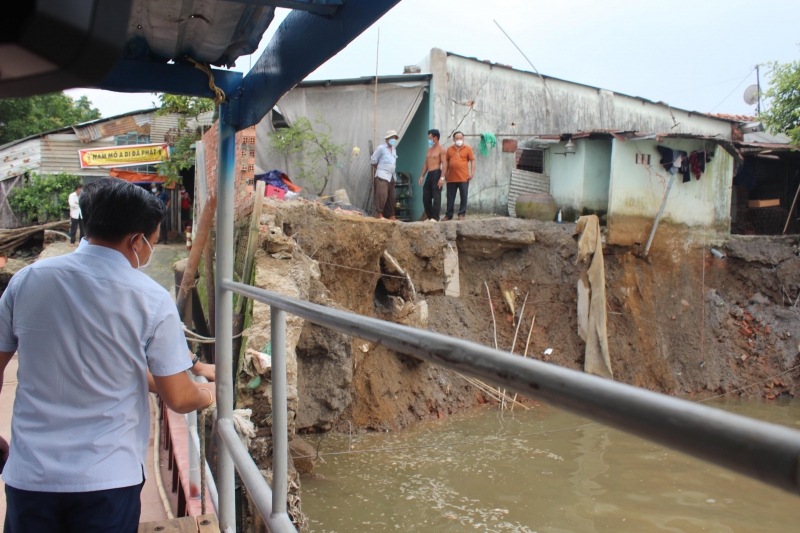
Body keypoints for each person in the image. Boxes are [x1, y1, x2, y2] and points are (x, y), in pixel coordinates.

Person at [0, 177, 216, 533]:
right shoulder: (150, 298)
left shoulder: (27, 280)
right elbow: (178, 397)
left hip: (31, 475)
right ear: (137, 240)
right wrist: (211, 393)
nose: (149, 253)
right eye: (153, 243)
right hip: (107, 478)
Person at [444, 131, 476, 221]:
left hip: (464, 177)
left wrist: (472, 173)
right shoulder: (449, 149)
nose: (459, 140)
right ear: (454, 139)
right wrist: (445, 173)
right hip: (451, 178)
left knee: (464, 196)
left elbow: (472, 161)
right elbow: (446, 162)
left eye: (461, 138)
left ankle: (461, 214)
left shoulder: (468, 149)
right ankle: (449, 215)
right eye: (457, 138)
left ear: (463, 139)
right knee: (450, 197)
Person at [418, 129, 447, 221]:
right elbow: (426, 163)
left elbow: (445, 164)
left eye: (430, 138)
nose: (429, 139)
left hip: (437, 173)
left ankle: (435, 217)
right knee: (426, 197)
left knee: (436, 196)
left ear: (436, 138)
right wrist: (422, 175)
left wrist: (442, 178)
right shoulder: (429, 150)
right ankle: (430, 216)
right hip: (429, 174)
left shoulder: (441, 149)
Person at [370, 130, 399, 220]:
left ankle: (391, 215)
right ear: (387, 139)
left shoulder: (394, 149)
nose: (393, 140)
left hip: (391, 176)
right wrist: (380, 168)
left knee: (392, 196)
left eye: (394, 138)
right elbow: (373, 161)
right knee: (382, 195)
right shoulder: (381, 148)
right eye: (392, 138)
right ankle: (379, 215)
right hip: (382, 175)